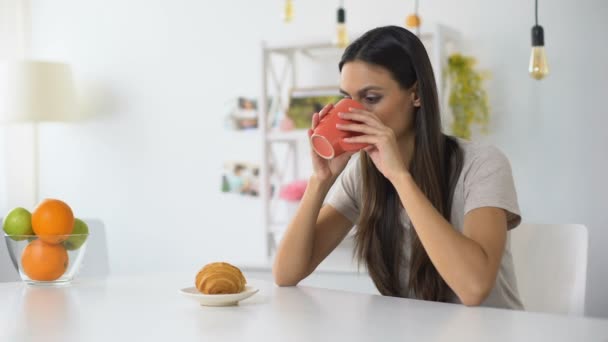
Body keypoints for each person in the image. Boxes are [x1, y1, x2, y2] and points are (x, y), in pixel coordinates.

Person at [272, 25, 523, 309]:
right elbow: (286, 274)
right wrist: (320, 180)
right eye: (348, 99)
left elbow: (474, 288)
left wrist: (400, 177)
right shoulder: (362, 173)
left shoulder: (482, 165)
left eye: (370, 98)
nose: (354, 114)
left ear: (415, 95)